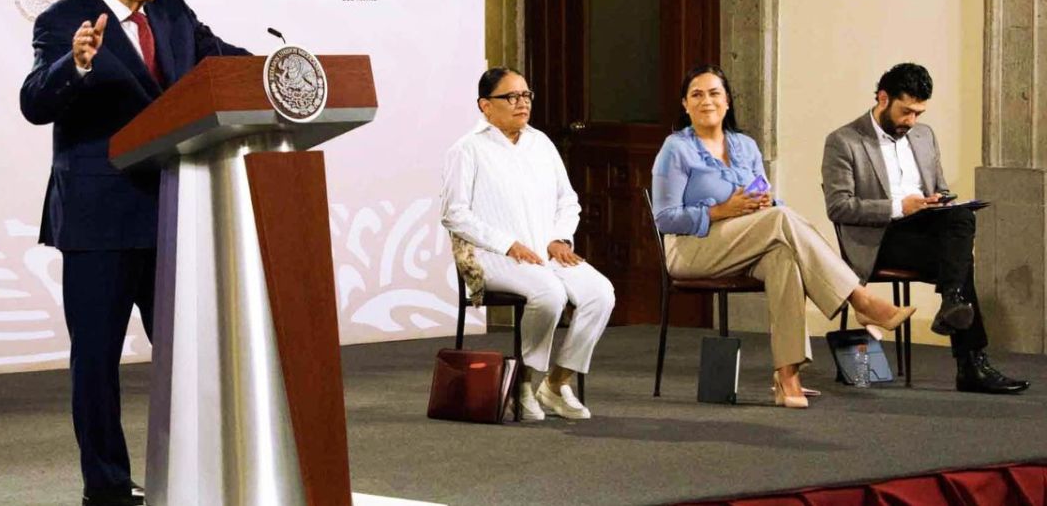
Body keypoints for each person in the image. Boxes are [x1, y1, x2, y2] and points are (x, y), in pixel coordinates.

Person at [19, 0, 250, 506]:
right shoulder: (63, 19)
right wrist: (76, 63)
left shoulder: (171, 11)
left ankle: (198, 472)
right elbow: (35, 101)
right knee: (96, 361)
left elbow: (222, 60)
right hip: (99, 218)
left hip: (175, 210)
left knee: (190, 354)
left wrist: (282, 72)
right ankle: (107, 485)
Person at [651, 64, 915, 408]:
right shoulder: (676, 148)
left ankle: (787, 376)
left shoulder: (745, 145)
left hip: (748, 239)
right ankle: (860, 299)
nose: (707, 101)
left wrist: (766, 203)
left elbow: (769, 201)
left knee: (784, 256)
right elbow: (664, 218)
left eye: (714, 93)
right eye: (696, 95)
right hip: (692, 249)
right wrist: (720, 211)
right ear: (685, 105)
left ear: (728, 101)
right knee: (780, 221)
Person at [822, 63, 1028, 395]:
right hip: (879, 238)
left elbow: (941, 187)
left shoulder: (924, 135)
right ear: (883, 98)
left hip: (923, 228)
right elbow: (839, 206)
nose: (911, 121)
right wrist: (897, 207)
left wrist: (939, 201)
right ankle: (971, 361)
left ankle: (953, 302)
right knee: (961, 265)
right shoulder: (844, 141)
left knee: (961, 218)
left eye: (918, 113)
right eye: (906, 112)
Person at [441, 67, 615, 420]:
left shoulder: (541, 143)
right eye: (511, 97)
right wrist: (508, 244)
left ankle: (555, 383)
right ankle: (522, 383)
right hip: (494, 256)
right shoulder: (468, 149)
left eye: (525, 95)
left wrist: (559, 237)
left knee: (600, 293)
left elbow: (569, 200)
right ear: (485, 106)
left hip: (544, 252)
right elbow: (454, 213)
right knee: (550, 294)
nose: (522, 103)